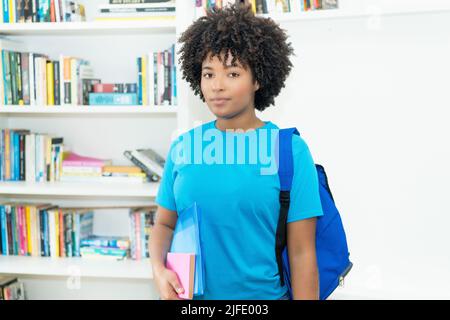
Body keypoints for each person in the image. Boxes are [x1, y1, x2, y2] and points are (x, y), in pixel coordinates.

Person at [149, 3, 323, 300]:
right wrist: (158, 269)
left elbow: (302, 252)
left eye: (232, 73)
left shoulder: (290, 151)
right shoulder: (184, 147)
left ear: (257, 79)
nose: (216, 86)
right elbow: (165, 223)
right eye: (208, 74)